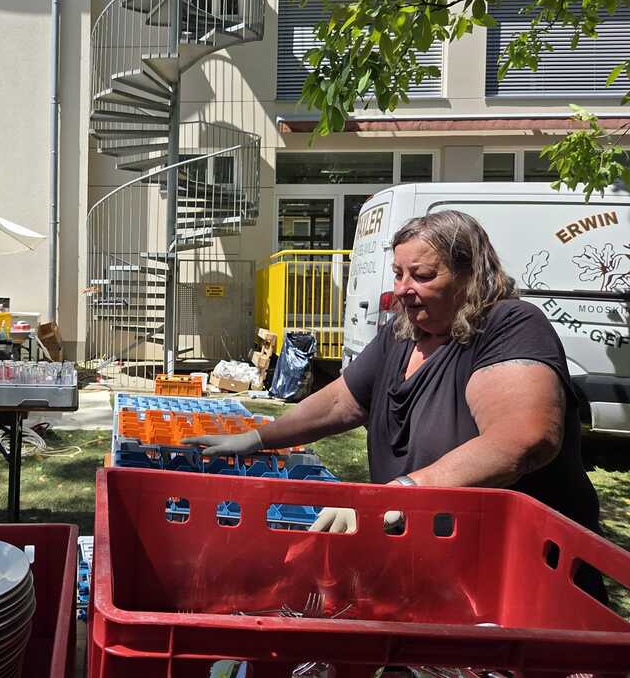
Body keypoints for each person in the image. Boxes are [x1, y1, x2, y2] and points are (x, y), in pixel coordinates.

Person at [184, 210, 606, 598]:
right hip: (428, 569)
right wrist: (258, 438)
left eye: (421, 275)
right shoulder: (403, 334)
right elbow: (341, 401)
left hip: (519, 575)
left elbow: (523, 439)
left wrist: (400, 495)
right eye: (398, 274)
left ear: (471, 274)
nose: (403, 289)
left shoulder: (509, 326)